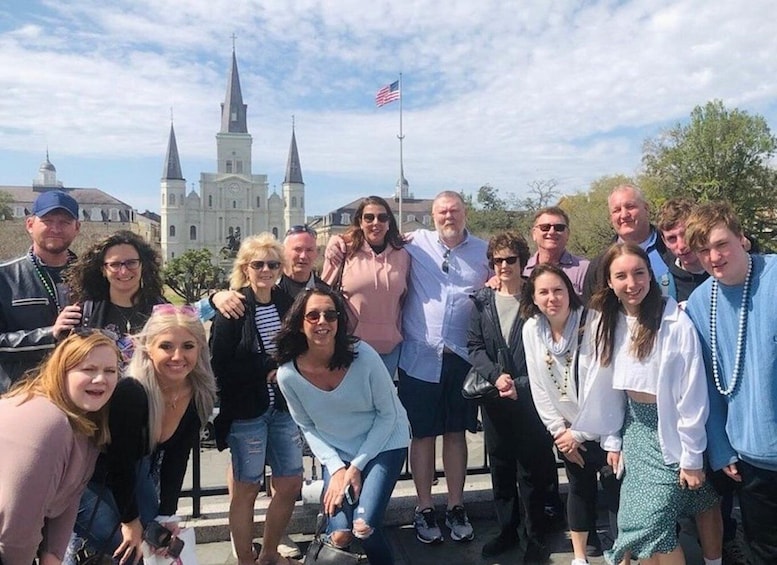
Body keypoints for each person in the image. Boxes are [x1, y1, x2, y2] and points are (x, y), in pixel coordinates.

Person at [575, 243, 721, 565]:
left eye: (639, 273)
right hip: (635, 432)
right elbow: (607, 388)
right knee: (638, 523)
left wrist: (692, 457)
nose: (632, 283)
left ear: (651, 275)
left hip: (672, 431)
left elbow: (691, 394)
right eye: (621, 276)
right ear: (609, 282)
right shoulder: (606, 323)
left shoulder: (674, 321)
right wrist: (612, 439)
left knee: (653, 523)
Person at [68, 305, 217, 564]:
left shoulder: (197, 394)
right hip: (84, 477)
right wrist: (130, 521)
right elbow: (119, 461)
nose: (178, 356)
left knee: (161, 545)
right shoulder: (132, 392)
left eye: (188, 347)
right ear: (148, 347)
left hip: (132, 473)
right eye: (167, 346)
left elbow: (177, 458)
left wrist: (166, 516)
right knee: (128, 549)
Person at [275, 288, 410, 565]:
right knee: (340, 534)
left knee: (365, 526)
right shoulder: (288, 374)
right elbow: (307, 425)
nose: (322, 321)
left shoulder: (363, 355)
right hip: (338, 453)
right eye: (313, 315)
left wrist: (356, 467)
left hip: (385, 442)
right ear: (300, 323)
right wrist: (337, 468)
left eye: (330, 315)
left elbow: (388, 416)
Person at [685, 202, 777, 565]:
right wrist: (721, 449)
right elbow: (705, 383)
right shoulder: (699, 302)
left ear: (743, 239)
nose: (713, 257)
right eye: (703, 250)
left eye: (721, 244)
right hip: (753, 459)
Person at [398, 190, 491, 544]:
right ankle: (424, 507)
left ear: (465, 212)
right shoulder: (415, 242)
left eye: (454, 210)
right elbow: (369, 243)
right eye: (441, 212)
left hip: (463, 358)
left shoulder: (483, 251)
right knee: (422, 435)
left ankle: (455, 505)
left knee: (455, 434)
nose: (448, 217)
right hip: (420, 356)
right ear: (433, 216)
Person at [209, 233, 303, 565]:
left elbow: (298, 345)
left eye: (273, 264)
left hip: (283, 408)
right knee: (247, 487)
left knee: (290, 481)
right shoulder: (233, 307)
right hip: (247, 410)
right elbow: (219, 364)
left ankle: (268, 553)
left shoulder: (286, 303)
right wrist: (266, 368)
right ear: (245, 267)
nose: (265, 270)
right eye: (258, 264)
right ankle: (245, 560)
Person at [520, 264, 621, 565]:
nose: (552, 298)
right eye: (544, 292)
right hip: (567, 429)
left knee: (615, 488)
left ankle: (622, 552)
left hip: (605, 425)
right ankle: (579, 557)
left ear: (570, 291)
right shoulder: (532, 329)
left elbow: (602, 385)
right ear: (534, 298)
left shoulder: (593, 323)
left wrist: (577, 434)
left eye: (558, 290)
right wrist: (559, 432)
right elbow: (539, 385)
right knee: (578, 487)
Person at [467, 232, 557, 562]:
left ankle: (535, 537)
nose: (504, 266)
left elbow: (549, 348)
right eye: (498, 261)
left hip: (531, 397)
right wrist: (495, 376)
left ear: (522, 261)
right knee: (501, 469)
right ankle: (507, 530)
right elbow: (474, 347)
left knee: (531, 472)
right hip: (495, 397)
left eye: (511, 260)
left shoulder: (536, 300)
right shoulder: (481, 301)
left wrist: (518, 382)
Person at [0, 329, 119, 565]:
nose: (100, 379)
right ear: (62, 371)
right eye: (88, 369)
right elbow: (16, 527)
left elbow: (71, 494)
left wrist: (53, 554)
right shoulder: (49, 422)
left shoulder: (84, 421)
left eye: (110, 371)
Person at [0, 190, 81, 392]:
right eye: (47, 220)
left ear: (77, 228)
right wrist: (49, 335)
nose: (56, 228)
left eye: (64, 222)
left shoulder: (95, 276)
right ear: (30, 224)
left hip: (83, 397)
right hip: (24, 395)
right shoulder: (5, 276)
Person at [322, 195, 410, 375]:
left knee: (382, 402)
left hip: (390, 350)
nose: (375, 223)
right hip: (350, 349)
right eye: (369, 217)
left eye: (382, 217)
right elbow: (322, 293)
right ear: (360, 222)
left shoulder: (404, 254)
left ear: (389, 223)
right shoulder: (343, 250)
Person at [59, 230, 167, 367]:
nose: (123, 271)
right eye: (115, 265)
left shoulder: (163, 311)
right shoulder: (83, 313)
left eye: (131, 263)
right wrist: (57, 333)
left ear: (142, 265)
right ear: (103, 270)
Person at [582, 185, 670, 302]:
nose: (624, 215)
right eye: (617, 210)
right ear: (611, 218)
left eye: (630, 206)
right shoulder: (600, 265)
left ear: (646, 208)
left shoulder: (674, 247)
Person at [523, 206, 590, 297]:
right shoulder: (522, 268)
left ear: (567, 234)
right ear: (534, 234)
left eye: (559, 228)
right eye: (545, 227)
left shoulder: (585, 270)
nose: (551, 232)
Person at [278, 225, 329, 298]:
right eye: (297, 249)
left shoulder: (326, 294)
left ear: (316, 254)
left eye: (309, 250)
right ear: (283, 252)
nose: (303, 256)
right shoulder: (268, 290)